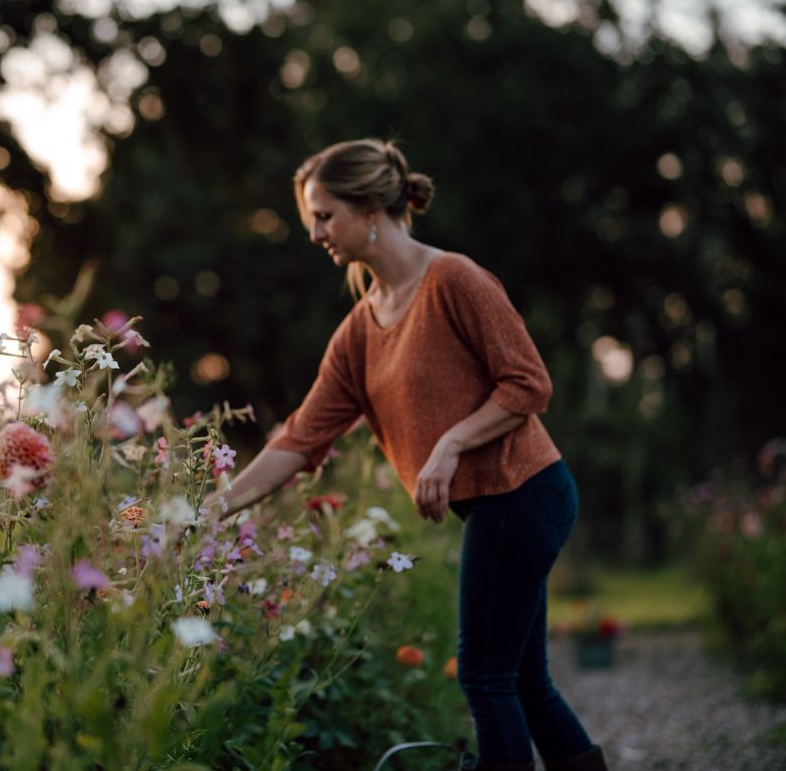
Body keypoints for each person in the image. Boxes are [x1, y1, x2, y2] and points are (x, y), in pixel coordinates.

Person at [213, 138, 608, 771]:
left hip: (524, 492)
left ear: (371, 209)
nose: (315, 234)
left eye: (325, 215)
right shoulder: (360, 331)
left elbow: (529, 384)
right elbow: (300, 437)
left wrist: (451, 442)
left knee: (485, 677)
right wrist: (212, 509)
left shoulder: (454, 280)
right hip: (499, 506)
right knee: (522, 680)